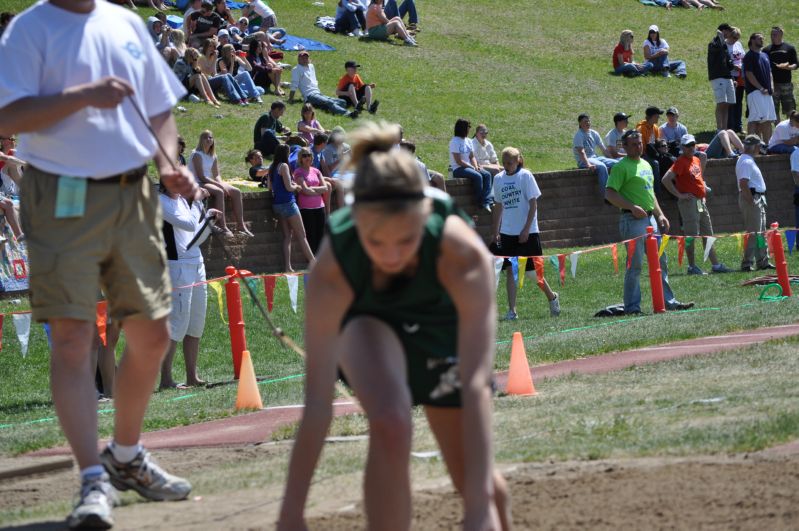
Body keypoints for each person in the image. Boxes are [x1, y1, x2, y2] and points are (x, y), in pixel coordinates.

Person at [0, 1, 197, 527]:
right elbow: (8, 116)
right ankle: (92, 479)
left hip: (132, 193)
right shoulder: (30, 29)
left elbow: (160, 111)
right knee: (73, 338)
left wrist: (171, 164)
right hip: (60, 195)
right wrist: (84, 96)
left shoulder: (125, 22)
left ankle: (126, 456)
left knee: (153, 335)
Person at [277, 122, 510, 531]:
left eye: (405, 241)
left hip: (441, 322)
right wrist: (291, 513)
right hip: (370, 323)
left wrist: (477, 510)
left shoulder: (464, 255)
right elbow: (317, 404)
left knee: (481, 489)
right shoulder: (333, 265)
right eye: (375, 242)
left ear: (424, 218)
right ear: (356, 221)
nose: (390, 255)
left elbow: (474, 387)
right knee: (390, 421)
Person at [605, 131, 694, 314]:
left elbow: (650, 194)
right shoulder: (621, 167)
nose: (638, 146)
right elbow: (610, 194)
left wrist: (660, 215)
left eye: (640, 143)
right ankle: (632, 307)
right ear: (625, 146)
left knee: (661, 261)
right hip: (632, 221)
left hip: (650, 220)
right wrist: (631, 207)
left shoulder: (645, 164)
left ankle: (668, 301)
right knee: (635, 265)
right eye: (634, 144)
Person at [158, 184, 218, 390]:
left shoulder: (184, 201)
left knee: (196, 323)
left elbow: (195, 235)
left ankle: (192, 375)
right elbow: (190, 224)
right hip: (177, 267)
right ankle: (166, 379)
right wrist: (198, 200)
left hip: (196, 263)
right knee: (177, 323)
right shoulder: (160, 201)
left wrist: (208, 218)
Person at [491, 147, 560, 320]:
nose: (507, 166)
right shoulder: (498, 179)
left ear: (518, 161)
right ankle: (512, 311)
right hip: (507, 232)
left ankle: (552, 298)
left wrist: (526, 230)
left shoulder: (526, 176)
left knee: (532, 273)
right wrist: (496, 231)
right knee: (510, 270)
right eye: (504, 163)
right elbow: (498, 206)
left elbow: (533, 204)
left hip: (528, 232)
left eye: (510, 163)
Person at [661, 134, 732, 275]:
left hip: (700, 201)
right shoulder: (680, 162)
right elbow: (666, 179)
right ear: (682, 147)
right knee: (691, 234)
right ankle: (692, 266)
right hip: (689, 203)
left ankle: (715, 265)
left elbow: (698, 177)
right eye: (687, 145)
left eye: (692, 145)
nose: (690, 148)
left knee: (708, 232)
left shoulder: (695, 160)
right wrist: (679, 195)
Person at [190, 130, 253, 236]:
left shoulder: (213, 155)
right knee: (219, 192)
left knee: (236, 191)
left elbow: (217, 175)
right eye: (206, 137)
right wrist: (219, 185)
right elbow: (201, 176)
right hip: (197, 182)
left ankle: (241, 225)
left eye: (210, 137)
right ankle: (222, 226)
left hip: (207, 181)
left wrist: (221, 183)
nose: (209, 139)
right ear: (201, 140)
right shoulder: (197, 154)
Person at [269, 144, 315, 272]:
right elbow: (289, 187)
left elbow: (270, 186)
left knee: (287, 236)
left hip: (277, 205)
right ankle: (314, 263)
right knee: (302, 235)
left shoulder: (272, 167)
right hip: (288, 203)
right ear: (286, 153)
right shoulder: (284, 166)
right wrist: (297, 187)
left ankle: (287, 267)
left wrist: (290, 184)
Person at [736, 135, 774, 271]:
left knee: (761, 232)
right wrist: (751, 201)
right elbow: (743, 183)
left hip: (758, 198)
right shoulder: (746, 161)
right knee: (753, 232)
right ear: (753, 146)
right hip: (752, 198)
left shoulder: (748, 160)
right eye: (759, 146)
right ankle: (747, 263)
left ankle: (762, 261)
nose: (760, 148)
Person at [289, 51, 356, 117]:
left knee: (343, 102)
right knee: (329, 102)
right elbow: (294, 85)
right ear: (298, 59)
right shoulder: (296, 69)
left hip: (318, 93)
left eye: (306, 58)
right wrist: (290, 99)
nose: (305, 60)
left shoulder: (311, 66)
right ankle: (348, 114)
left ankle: (323, 106)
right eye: (302, 58)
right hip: (309, 95)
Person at [450, 118, 493, 212]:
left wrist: (476, 166)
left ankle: (487, 201)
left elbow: (472, 156)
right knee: (478, 176)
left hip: (470, 167)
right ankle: (479, 202)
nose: (470, 129)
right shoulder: (454, 141)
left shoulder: (468, 141)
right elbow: (458, 161)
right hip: (459, 169)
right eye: (468, 127)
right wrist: (472, 168)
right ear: (463, 128)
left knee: (487, 174)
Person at [293, 147, 330, 254]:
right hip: (306, 208)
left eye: (309, 155)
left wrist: (310, 190)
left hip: (320, 206)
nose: (307, 157)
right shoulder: (298, 172)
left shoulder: (316, 171)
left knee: (321, 233)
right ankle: (313, 259)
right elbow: (305, 190)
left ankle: (321, 258)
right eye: (304, 156)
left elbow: (325, 188)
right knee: (311, 234)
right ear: (300, 158)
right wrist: (315, 190)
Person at [573, 113, 619, 194]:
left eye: (588, 121)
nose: (587, 123)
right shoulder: (579, 135)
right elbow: (581, 152)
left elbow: (604, 149)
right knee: (602, 166)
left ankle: (616, 188)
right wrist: (588, 164)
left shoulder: (594, 133)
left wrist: (612, 159)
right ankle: (606, 194)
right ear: (580, 123)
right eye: (585, 122)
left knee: (617, 164)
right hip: (583, 160)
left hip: (595, 158)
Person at [743, 33, 777, 143]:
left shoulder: (765, 55)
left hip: (767, 93)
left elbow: (770, 73)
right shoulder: (749, 56)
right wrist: (761, 88)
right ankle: (750, 145)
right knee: (754, 120)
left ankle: (767, 146)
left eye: (763, 38)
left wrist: (771, 86)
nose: (762, 40)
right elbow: (749, 74)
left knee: (767, 121)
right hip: (755, 92)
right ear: (752, 40)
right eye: (759, 38)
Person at [763, 27, 797, 122]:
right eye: (771, 35)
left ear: (781, 34)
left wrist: (788, 67)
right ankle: (778, 130)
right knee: (774, 109)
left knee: (790, 109)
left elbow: (796, 64)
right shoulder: (766, 50)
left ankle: (792, 129)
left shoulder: (789, 48)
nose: (772, 37)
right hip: (773, 84)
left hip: (786, 84)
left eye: (775, 35)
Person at [708, 25, 735, 132]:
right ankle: (719, 128)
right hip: (718, 76)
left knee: (727, 104)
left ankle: (724, 127)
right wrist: (720, 38)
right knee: (721, 103)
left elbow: (728, 62)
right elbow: (715, 50)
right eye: (729, 31)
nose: (730, 34)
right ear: (723, 31)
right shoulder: (714, 43)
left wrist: (731, 67)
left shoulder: (724, 44)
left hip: (727, 77)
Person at [726, 27, 746, 133]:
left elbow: (743, 57)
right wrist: (734, 67)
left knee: (739, 101)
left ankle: (739, 125)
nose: (735, 40)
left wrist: (742, 66)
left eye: (737, 38)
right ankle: (731, 126)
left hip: (740, 76)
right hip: (730, 76)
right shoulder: (724, 45)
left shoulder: (738, 44)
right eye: (734, 37)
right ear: (729, 35)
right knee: (731, 101)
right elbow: (724, 61)